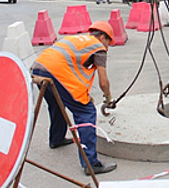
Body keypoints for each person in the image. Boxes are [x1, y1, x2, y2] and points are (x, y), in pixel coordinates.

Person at [31, 21, 117, 175]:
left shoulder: (76, 39)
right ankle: (91, 164)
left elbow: (70, 68)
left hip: (39, 68)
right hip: (56, 74)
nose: (108, 47)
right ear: (103, 37)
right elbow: (103, 82)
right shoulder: (98, 48)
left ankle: (56, 139)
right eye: (108, 42)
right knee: (86, 112)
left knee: (57, 104)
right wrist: (108, 97)